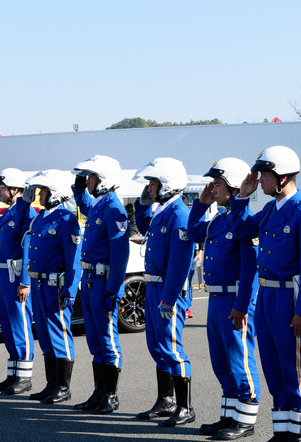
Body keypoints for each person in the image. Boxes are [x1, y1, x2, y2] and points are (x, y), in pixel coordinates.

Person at [230, 146, 301, 442]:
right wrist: (241, 198)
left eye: (265, 174)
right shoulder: (271, 211)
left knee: (293, 366)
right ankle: (282, 431)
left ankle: (298, 435)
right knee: (272, 365)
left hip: (288, 296)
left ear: (283, 177)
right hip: (267, 294)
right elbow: (242, 230)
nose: (259, 180)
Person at [187, 157, 260, 440]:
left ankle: (246, 419)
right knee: (221, 361)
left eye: (217, 184)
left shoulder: (244, 223)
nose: (212, 188)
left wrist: (242, 306)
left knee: (239, 359)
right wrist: (202, 204)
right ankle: (229, 416)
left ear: (232, 187)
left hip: (234, 300)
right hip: (216, 300)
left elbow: (249, 269)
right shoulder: (218, 219)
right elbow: (193, 233)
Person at [132, 157, 195, 427]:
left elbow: (181, 264)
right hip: (154, 286)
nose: (150, 188)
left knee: (171, 347)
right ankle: (165, 401)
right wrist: (142, 204)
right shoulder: (162, 210)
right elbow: (145, 227)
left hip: (168, 289)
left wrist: (169, 298)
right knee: (157, 345)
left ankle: (185, 406)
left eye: (154, 183)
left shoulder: (180, 214)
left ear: (168, 184)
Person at [71, 155, 129, 414]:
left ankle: (111, 395)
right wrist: (78, 188)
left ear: (104, 180)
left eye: (92, 177)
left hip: (103, 280)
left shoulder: (114, 208)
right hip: (91, 280)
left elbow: (120, 256)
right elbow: (85, 207)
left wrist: (113, 289)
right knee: (94, 339)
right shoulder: (99, 204)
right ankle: (99, 392)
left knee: (108, 340)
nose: (88, 181)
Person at [22, 169, 82, 404]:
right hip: (38, 284)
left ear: (55, 193)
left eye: (44, 191)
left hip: (55, 286)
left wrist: (69, 289)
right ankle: (51, 384)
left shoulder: (67, 220)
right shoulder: (39, 218)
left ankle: (63, 387)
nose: (40, 195)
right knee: (45, 335)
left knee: (59, 334)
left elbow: (73, 259)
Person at [0, 168, 38, 394]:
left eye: (2, 187)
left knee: (20, 326)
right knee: (7, 326)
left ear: (15, 189)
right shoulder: (9, 212)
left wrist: (25, 281)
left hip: (16, 276)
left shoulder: (27, 213)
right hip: (3, 276)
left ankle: (24, 377)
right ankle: (13, 374)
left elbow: (28, 248)